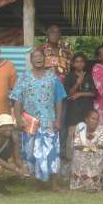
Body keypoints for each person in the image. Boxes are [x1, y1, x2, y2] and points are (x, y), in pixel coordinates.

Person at [11, 49, 67, 192]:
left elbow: (59, 100)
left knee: (52, 152)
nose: (38, 59)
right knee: (31, 153)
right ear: (31, 60)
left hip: (49, 121)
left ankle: (54, 184)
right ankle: (37, 183)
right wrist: (18, 118)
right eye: (34, 56)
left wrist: (58, 120)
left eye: (40, 56)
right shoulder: (23, 77)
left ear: (45, 58)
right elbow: (17, 99)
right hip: (30, 123)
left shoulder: (52, 77)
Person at [63, 53, 96, 160]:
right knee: (73, 136)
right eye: (77, 61)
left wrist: (81, 94)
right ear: (73, 63)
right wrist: (78, 83)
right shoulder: (69, 77)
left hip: (87, 111)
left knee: (87, 136)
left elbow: (94, 93)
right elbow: (67, 94)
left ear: (85, 63)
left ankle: (85, 160)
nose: (79, 63)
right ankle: (70, 160)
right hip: (73, 112)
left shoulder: (89, 76)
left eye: (82, 61)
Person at [69, 109, 103, 192]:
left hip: (96, 154)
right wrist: (88, 149)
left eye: (97, 119)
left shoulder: (101, 128)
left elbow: (102, 144)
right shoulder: (80, 127)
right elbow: (76, 145)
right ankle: (81, 184)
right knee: (79, 153)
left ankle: (92, 184)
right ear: (86, 119)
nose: (95, 121)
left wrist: (90, 149)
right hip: (83, 152)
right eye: (93, 118)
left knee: (97, 153)